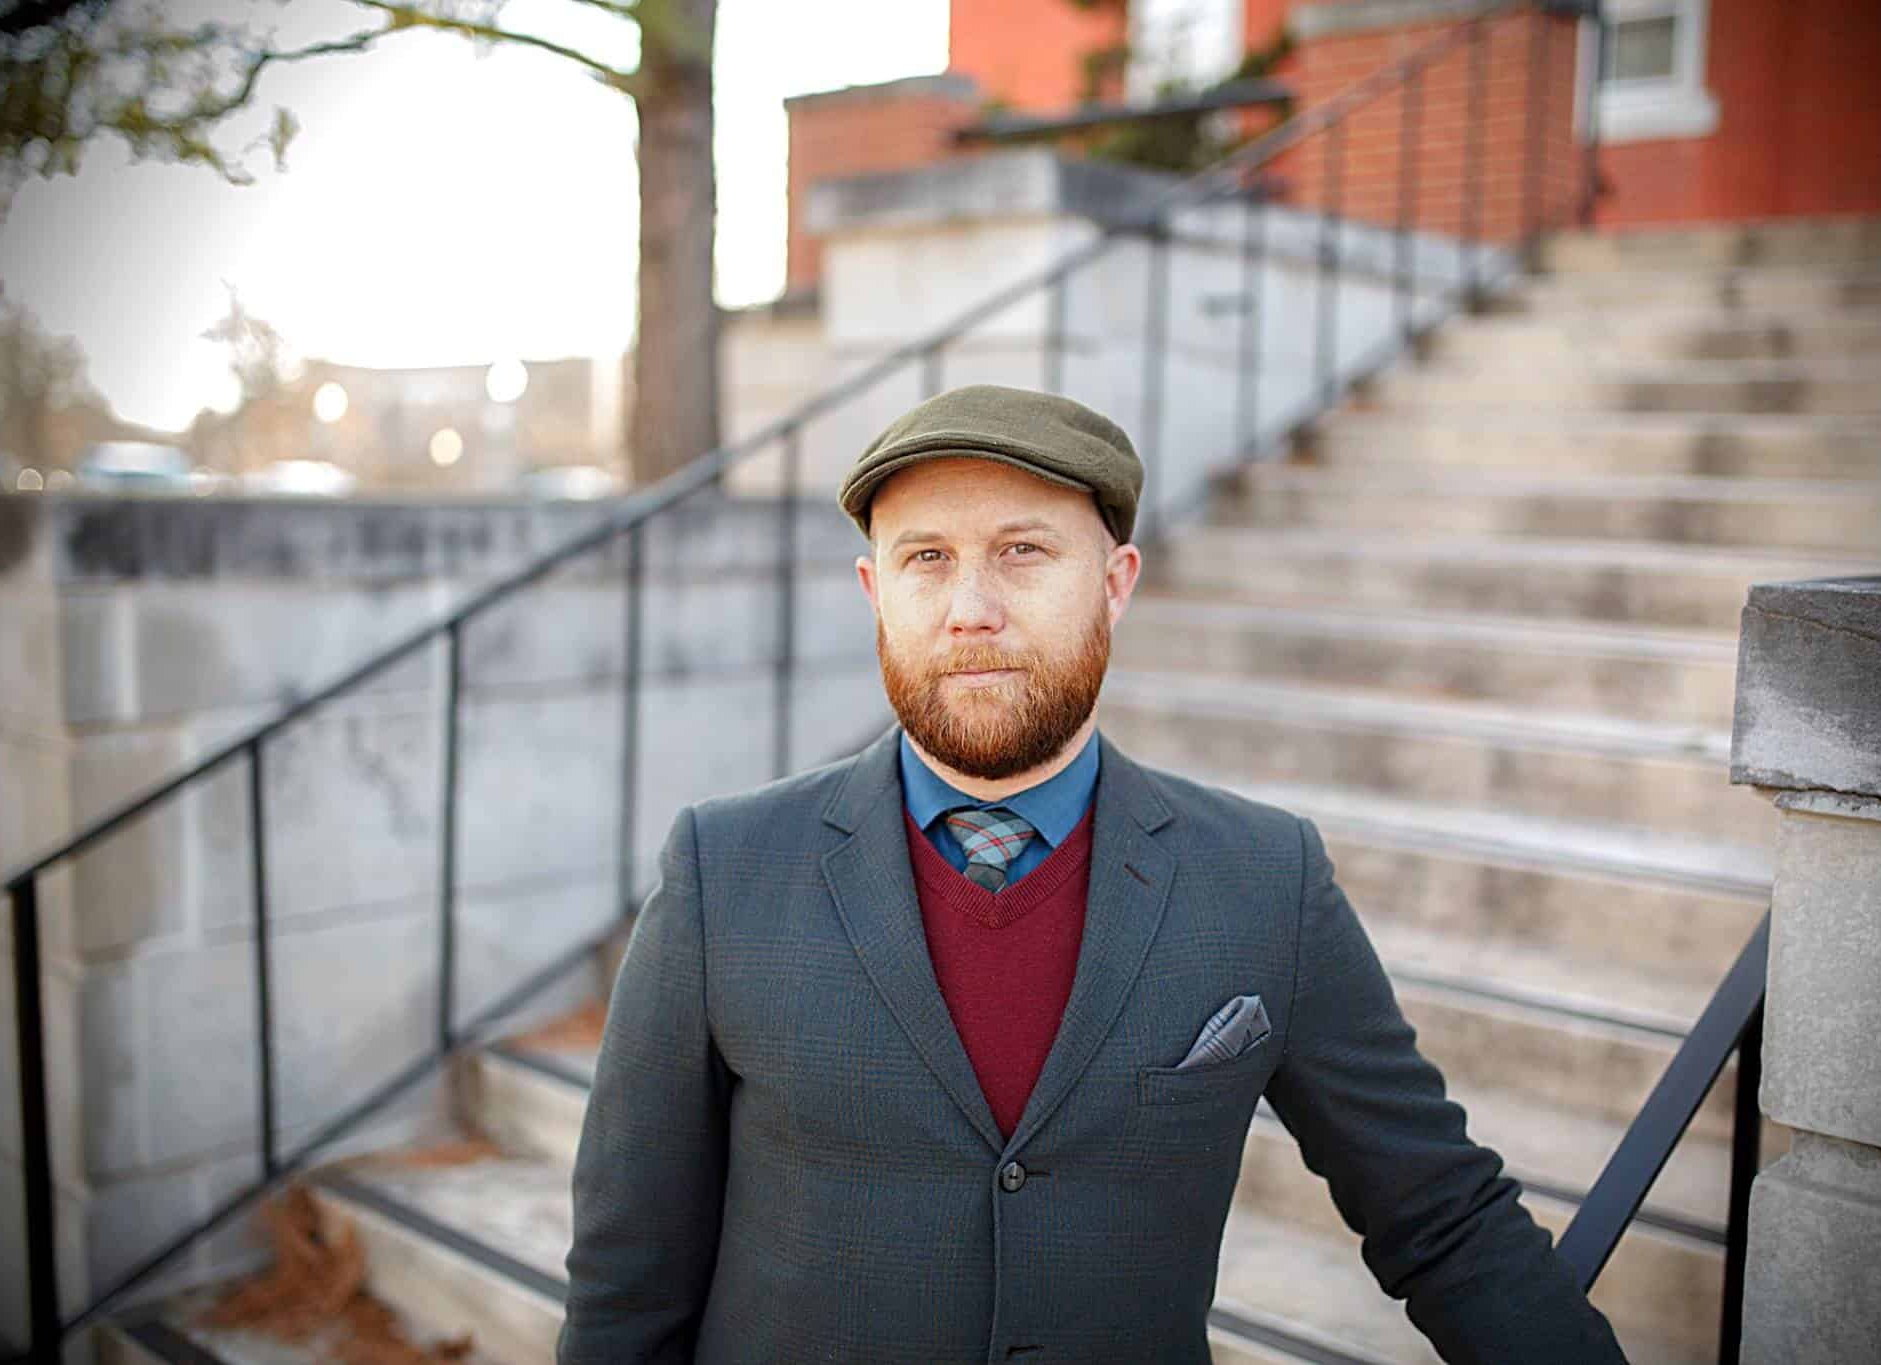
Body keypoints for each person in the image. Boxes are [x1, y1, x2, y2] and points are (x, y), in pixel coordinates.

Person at [558, 384, 1629, 1363]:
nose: (969, 606)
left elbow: (1440, 1218)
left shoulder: (1263, 879)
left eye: (1022, 551)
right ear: (872, 590)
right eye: (924, 557)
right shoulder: (725, 870)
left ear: (1115, 583)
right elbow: (627, 1285)